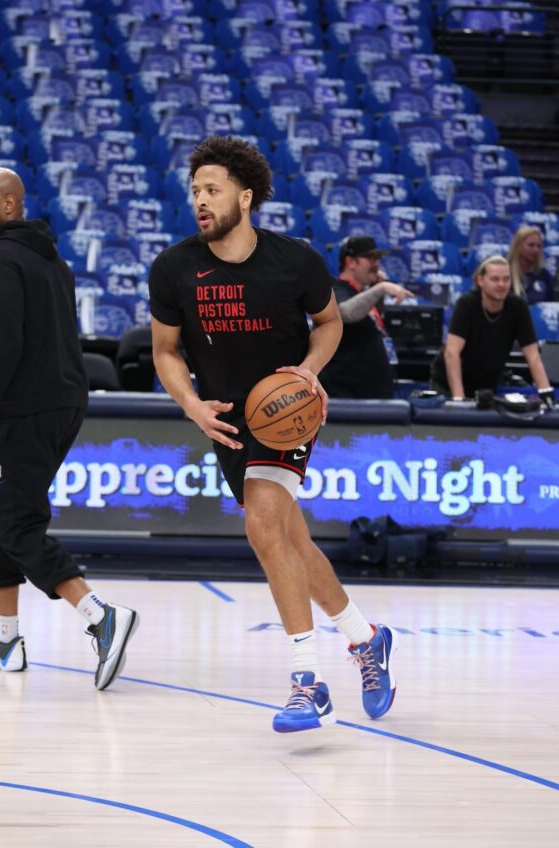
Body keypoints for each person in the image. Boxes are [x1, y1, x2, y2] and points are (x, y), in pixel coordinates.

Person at [149, 136, 398, 735]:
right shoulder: (175, 266)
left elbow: (330, 322)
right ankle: (366, 639)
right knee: (288, 539)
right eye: (195, 191)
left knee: (262, 524)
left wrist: (308, 375)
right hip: (225, 417)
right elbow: (164, 350)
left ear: (246, 196)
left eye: (211, 190)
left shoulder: (297, 260)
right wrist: (190, 405)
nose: (200, 201)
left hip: (284, 409)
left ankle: (306, 682)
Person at [0, 168, 138, 689]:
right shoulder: (53, 261)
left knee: (17, 524)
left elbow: (1, 351)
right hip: (62, 401)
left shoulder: (0, 261)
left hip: (29, 408)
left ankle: (100, 615)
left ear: (9, 206)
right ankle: (6, 637)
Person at [430, 254, 554, 403]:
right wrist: (458, 398)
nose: (502, 284)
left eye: (506, 279)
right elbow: (451, 353)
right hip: (448, 383)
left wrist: (545, 392)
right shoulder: (466, 304)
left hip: (486, 385)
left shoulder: (518, 307)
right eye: (495, 279)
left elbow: (533, 355)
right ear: (481, 281)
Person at [319, 235, 412, 399]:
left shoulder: (363, 294)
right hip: (346, 398)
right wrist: (380, 288)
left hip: (371, 394)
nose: (376, 264)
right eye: (370, 258)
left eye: (378, 259)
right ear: (351, 262)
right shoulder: (335, 287)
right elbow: (345, 312)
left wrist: (375, 292)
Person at [508, 226, 555, 304]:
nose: (536, 250)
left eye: (539, 246)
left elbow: (550, 305)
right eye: (531, 245)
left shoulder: (544, 275)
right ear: (518, 246)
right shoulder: (505, 272)